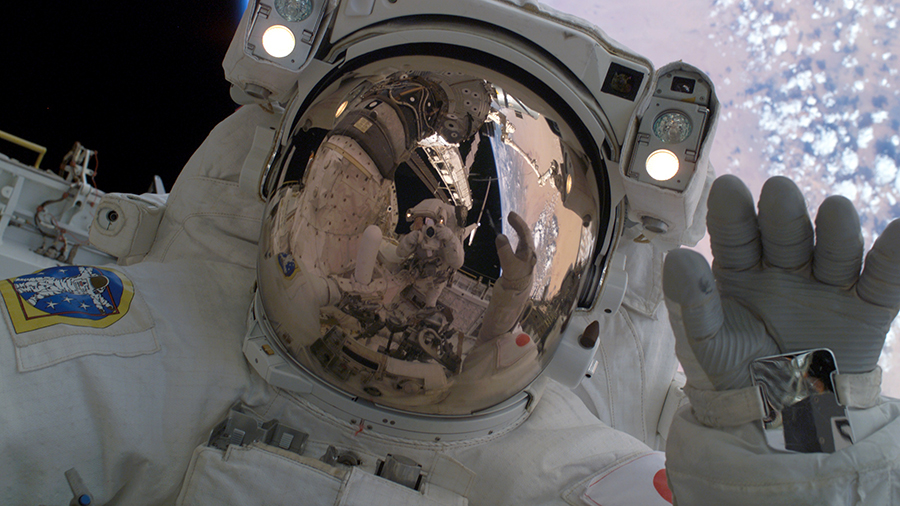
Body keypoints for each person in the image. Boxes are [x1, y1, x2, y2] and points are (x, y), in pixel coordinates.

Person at [1, 1, 898, 505]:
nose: (435, 239)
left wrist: (805, 411)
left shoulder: (564, 473)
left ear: (581, 293)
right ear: (277, 186)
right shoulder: (149, 352)